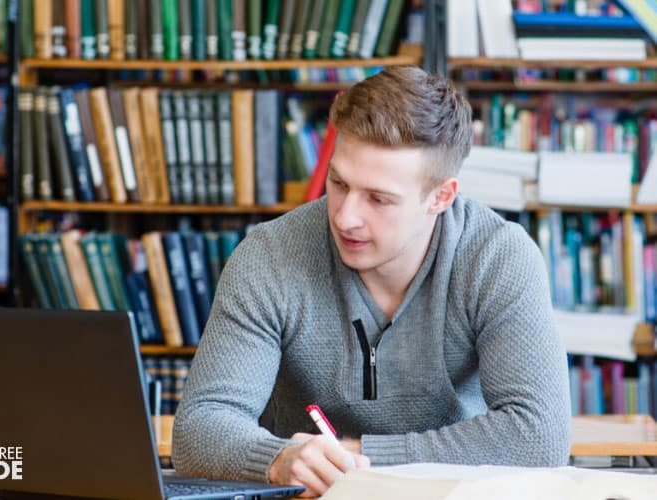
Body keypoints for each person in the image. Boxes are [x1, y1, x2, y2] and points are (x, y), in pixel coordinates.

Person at [172, 66, 571, 497]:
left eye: (378, 199)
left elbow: (539, 434)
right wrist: (278, 459)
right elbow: (199, 429)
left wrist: (364, 460)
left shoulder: (498, 257)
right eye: (339, 183)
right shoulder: (268, 256)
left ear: (441, 197)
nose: (345, 217)